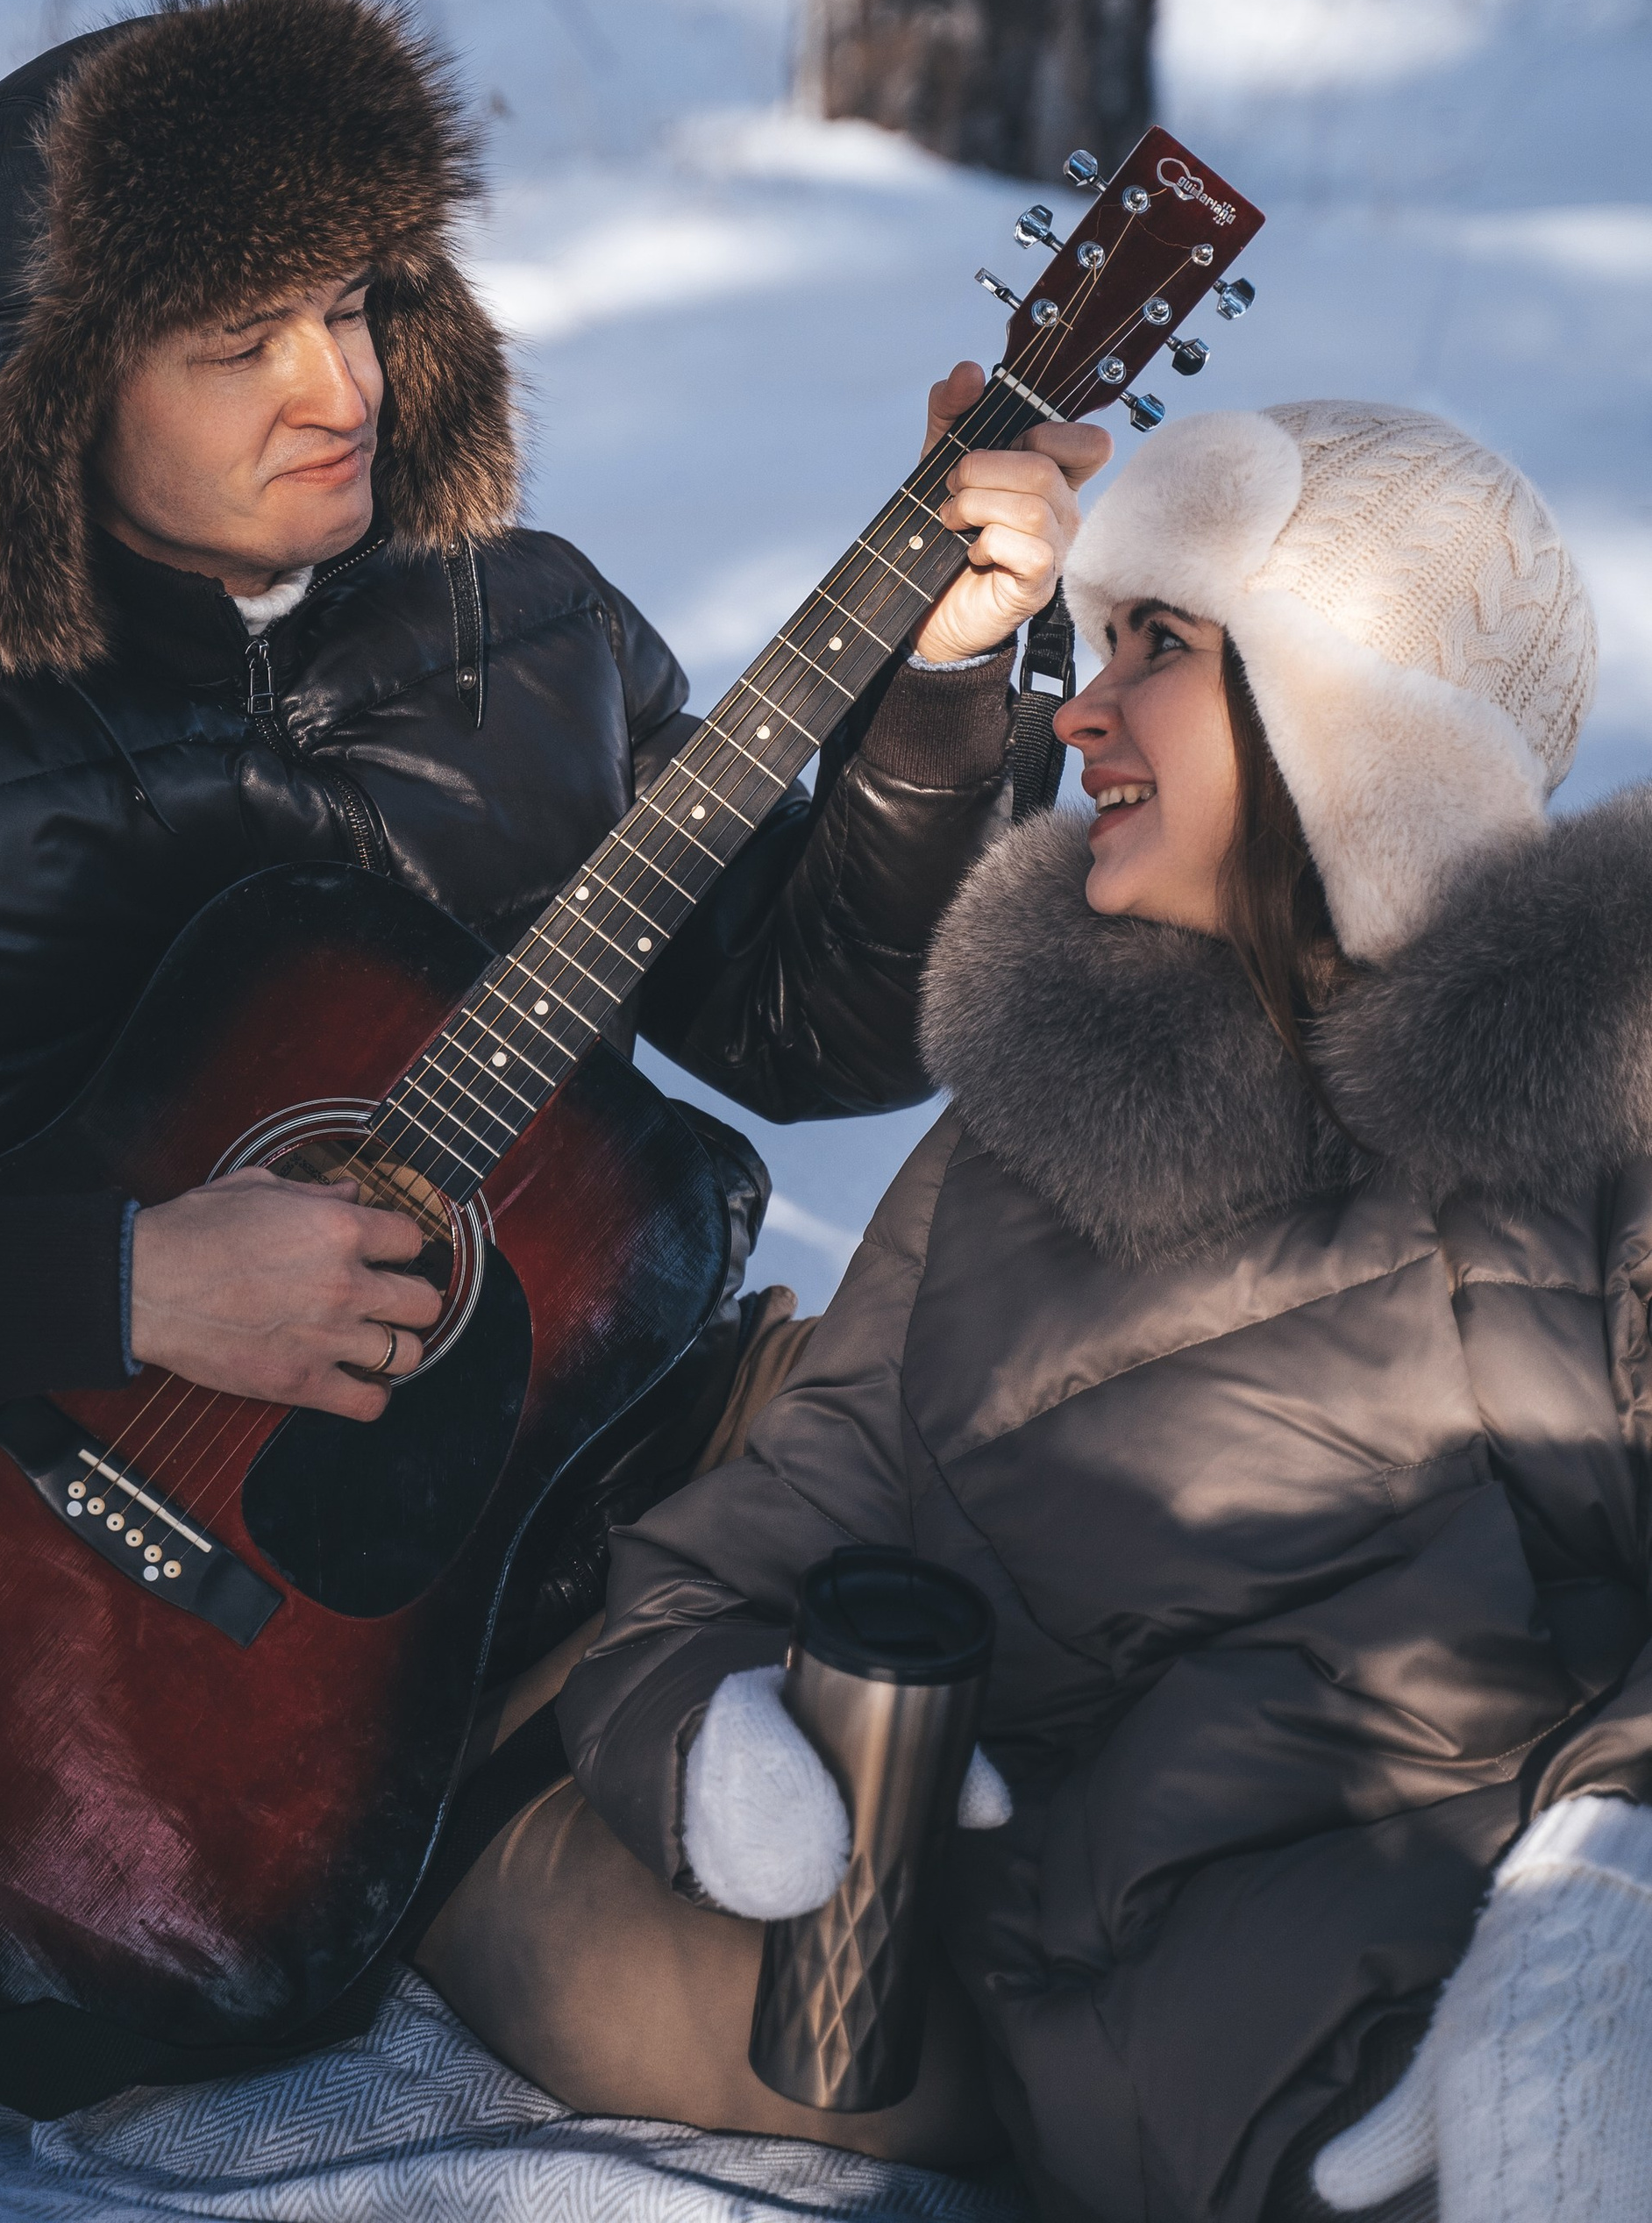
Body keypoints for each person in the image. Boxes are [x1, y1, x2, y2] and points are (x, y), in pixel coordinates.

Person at [0, 0, 1098, 1679]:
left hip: (488, 1538)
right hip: (13, 1645)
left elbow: (819, 1029)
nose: (337, 389)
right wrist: (125, 1285)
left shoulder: (530, 637)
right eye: (238, 345)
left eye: (354, 306)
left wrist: (939, 690)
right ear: (57, 407)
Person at [547, 396, 1652, 2222]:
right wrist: (698, 1731)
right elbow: (741, 1551)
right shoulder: (1022, 1145)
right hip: (1226, 2090)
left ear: (1351, 726)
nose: (1072, 708)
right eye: (1090, 636)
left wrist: (1606, 1877)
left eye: (1160, 645)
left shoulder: (1598, 1083)